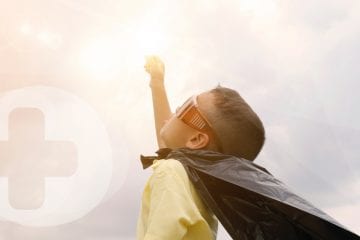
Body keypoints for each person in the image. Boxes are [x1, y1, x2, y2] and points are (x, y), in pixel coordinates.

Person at [136, 56, 265, 240]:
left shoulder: (171, 172)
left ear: (196, 139)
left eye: (188, 106)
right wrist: (157, 82)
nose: (178, 106)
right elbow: (166, 144)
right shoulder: (197, 185)